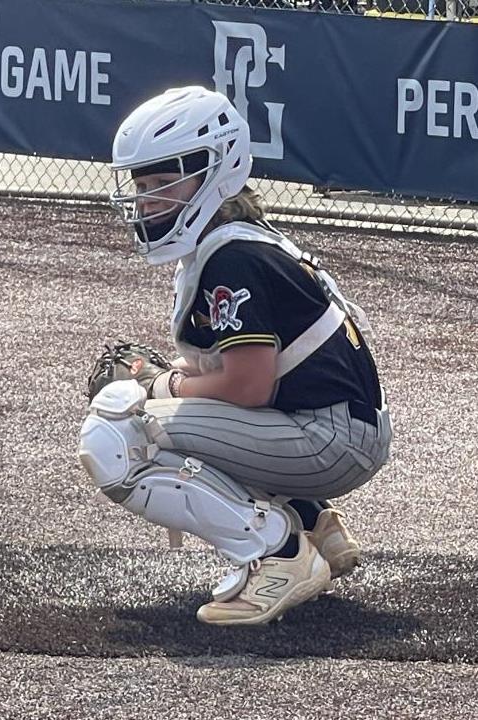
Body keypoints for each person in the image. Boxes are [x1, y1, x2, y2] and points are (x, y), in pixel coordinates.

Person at [79, 86, 392, 626]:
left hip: (329, 437)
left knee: (116, 434)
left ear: (215, 172)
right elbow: (245, 371)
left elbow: (249, 387)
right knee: (153, 411)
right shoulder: (235, 239)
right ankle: (311, 523)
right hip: (338, 425)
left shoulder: (232, 257)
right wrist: (166, 379)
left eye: (162, 184)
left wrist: (162, 387)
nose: (147, 201)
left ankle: (279, 553)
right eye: (142, 186)